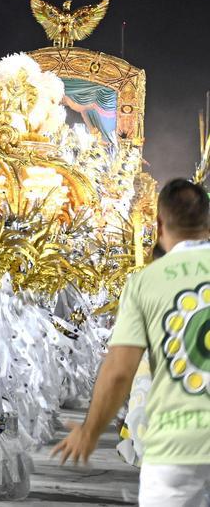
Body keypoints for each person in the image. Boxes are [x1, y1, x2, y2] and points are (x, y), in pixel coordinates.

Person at [53, 178, 210, 506]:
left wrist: (90, 431)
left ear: (159, 224)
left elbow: (119, 371)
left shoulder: (145, 282)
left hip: (175, 446)